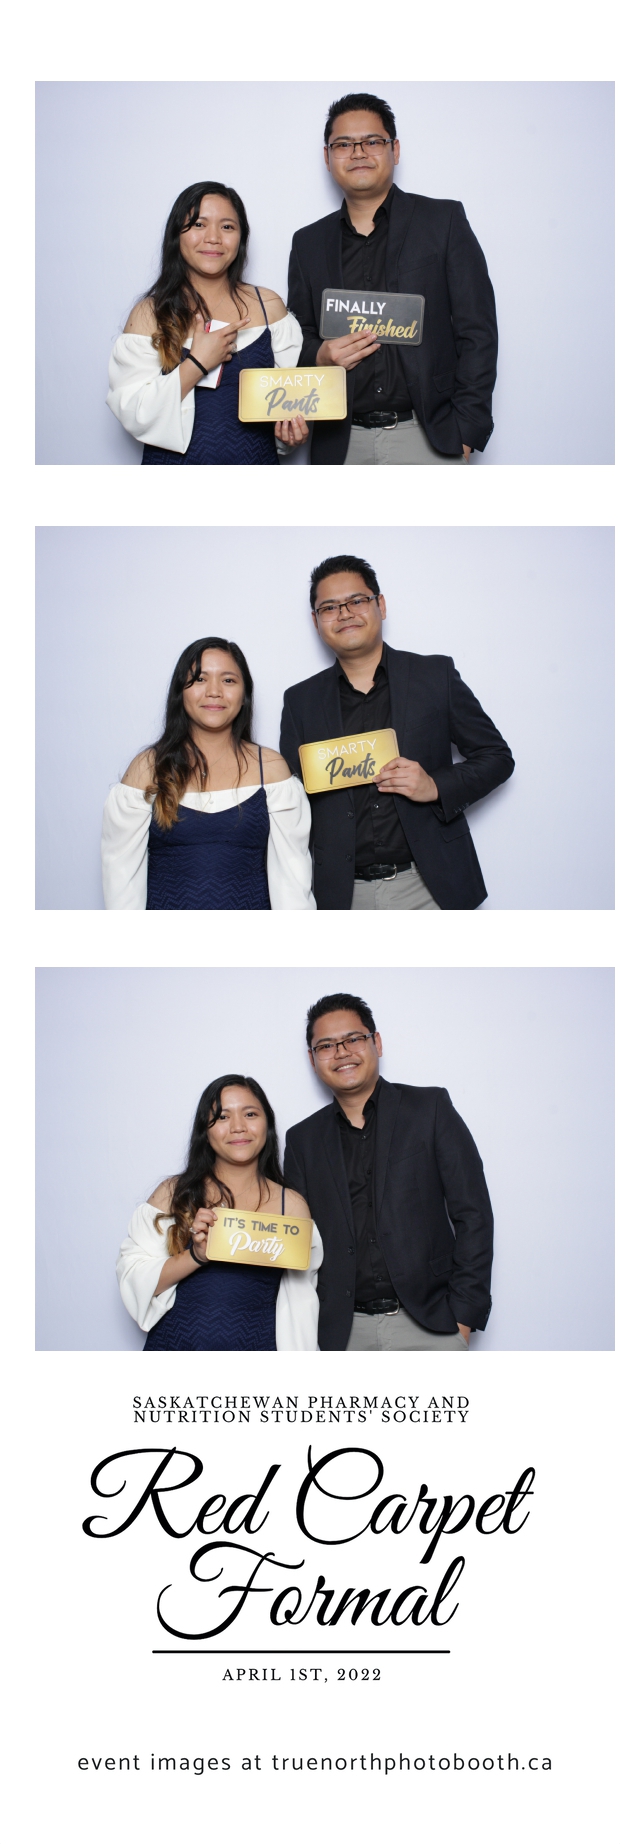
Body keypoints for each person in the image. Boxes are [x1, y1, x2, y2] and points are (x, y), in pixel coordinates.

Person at [279, 554, 514, 910]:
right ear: (316, 620)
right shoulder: (300, 701)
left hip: (430, 886)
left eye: (357, 601)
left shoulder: (434, 676)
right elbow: (291, 797)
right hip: (340, 894)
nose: (344, 613)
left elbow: (496, 757)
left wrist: (436, 786)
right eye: (329, 607)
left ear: (381, 605)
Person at [287, 92, 498, 465]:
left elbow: (477, 330)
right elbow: (295, 335)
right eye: (343, 145)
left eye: (372, 141)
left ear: (394, 150)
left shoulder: (443, 222)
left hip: (428, 437)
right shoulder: (308, 243)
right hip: (340, 441)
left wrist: (467, 429)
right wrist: (319, 353)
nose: (358, 153)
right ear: (327, 157)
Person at [283, 994, 493, 1352]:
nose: (342, 1052)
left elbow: (473, 1213)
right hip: (342, 1333)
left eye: (353, 1039)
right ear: (312, 1058)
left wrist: (463, 1316)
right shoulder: (302, 1140)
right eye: (326, 1046)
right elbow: (297, 1237)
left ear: (376, 1043)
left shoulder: (430, 1109)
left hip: (432, 1324)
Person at [102, 637, 315, 910]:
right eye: (200, 679)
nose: (214, 691)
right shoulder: (146, 769)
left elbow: (292, 885)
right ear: (180, 691)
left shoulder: (271, 769)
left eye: (228, 680)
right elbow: (121, 885)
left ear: (244, 694)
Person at [107, 181, 309, 464]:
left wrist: (289, 434)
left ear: (241, 238)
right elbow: (134, 413)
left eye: (227, 227)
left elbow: (292, 404)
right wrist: (197, 363)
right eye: (199, 224)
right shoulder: (149, 314)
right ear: (176, 235)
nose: (213, 238)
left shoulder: (269, 308)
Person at [117, 1075, 322, 1351]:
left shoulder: (292, 1206)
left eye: (250, 1114)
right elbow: (134, 1280)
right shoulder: (173, 1193)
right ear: (205, 1129)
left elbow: (302, 1303)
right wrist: (195, 1256)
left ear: (268, 1123)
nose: (238, 1127)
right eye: (223, 1117)